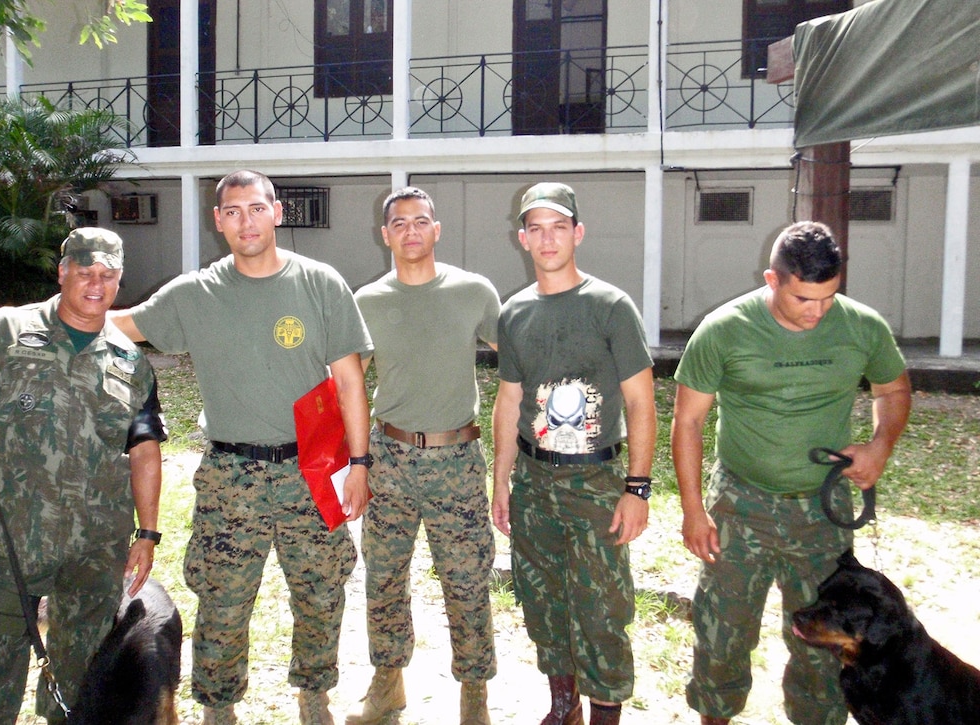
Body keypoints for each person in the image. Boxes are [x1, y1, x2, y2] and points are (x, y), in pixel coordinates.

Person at [107, 169, 374, 725]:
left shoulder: (321, 283)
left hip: (312, 469)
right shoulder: (196, 293)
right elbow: (119, 324)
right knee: (223, 601)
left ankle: (314, 697)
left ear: (278, 213)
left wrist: (359, 462)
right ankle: (218, 708)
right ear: (218, 221)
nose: (245, 221)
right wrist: (24, 320)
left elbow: (350, 380)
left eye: (256, 208)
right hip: (232, 475)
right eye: (232, 211)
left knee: (322, 593)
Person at [671, 220, 912, 725]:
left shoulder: (862, 326)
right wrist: (694, 510)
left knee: (821, 646)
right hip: (741, 503)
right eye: (804, 299)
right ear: (772, 279)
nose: (817, 312)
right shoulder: (725, 329)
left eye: (828, 298)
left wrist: (879, 446)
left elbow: (894, 390)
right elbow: (688, 421)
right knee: (722, 633)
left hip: (821, 512)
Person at [0, 227, 167, 725]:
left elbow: (144, 450)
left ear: (119, 280)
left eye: (108, 275)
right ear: (63, 272)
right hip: (11, 536)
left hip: (96, 547)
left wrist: (147, 532)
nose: (95, 284)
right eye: (84, 272)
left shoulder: (131, 362)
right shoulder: (4, 332)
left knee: (80, 680)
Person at [491, 182, 657, 725]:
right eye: (535, 228)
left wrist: (636, 488)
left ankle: (606, 714)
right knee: (542, 599)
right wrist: (501, 483)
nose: (547, 238)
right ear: (522, 239)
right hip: (535, 484)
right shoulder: (515, 313)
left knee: (603, 608)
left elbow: (640, 401)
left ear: (577, 233)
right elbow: (510, 400)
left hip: (597, 484)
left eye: (558, 226)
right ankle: (563, 706)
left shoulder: (610, 305)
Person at [347, 187, 499, 725]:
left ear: (436, 229)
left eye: (420, 221)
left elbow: (522, 360)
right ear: (384, 234)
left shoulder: (474, 291)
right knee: (384, 577)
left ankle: (474, 694)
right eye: (399, 223)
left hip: (458, 460)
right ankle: (388, 684)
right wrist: (356, 465)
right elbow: (349, 386)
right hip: (389, 456)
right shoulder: (366, 302)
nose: (410, 231)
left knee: (467, 580)